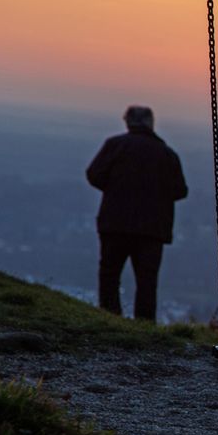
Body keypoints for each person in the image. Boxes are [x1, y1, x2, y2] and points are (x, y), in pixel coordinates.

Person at [86, 105, 188, 322]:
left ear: (128, 122)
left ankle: (110, 318)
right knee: (147, 281)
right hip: (152, 229)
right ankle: (144, 324)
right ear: (151, 123)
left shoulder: (115, 146)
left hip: (115, 223)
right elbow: (180, 190)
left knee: (110, 274)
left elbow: (94, 174)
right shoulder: (166, 155)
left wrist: (115, 189)